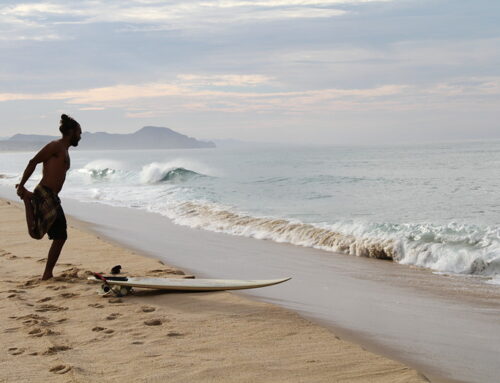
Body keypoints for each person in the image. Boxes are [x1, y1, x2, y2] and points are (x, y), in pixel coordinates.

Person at [15, 114, 82, 280]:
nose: (80, 136)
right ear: (72, 132)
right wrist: (22, 184)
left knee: (57, 235)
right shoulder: (55, 146)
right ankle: (27, 199)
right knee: (41, 234)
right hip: (45, 193)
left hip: (52, 196)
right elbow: (33, 161)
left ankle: (47, 274)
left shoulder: (64, 150)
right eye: (79, 133)